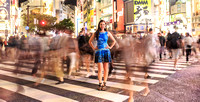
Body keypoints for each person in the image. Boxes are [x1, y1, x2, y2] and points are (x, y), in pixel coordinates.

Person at [89, 20, 116, 91]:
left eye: (103, 24)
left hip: (106, 51)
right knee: (100, 69)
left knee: (106, 69)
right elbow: (90, 41)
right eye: (101, 24)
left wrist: (110, 47)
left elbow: (114, 41)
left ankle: (105, 83)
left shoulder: (107, 33)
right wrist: (94, 48)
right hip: (98, 52)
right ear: (99, 25)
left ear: (105, 25)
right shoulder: (96, 33)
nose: (102, 25)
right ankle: (100, 83)